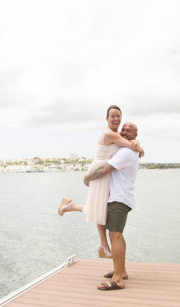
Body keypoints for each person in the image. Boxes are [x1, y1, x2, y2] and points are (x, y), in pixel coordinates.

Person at [58, 105, 143, 258]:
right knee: (98, 208)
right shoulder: (110, 134)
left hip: (105, 171)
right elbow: (129, 144)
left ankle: (69, 206)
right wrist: (138, 146)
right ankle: (103, 245)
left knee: (99, 207)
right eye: (112, 116)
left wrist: (137, 143)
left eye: (118, 115)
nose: (116, 118)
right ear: (107, 118)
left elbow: (129, 142)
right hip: (100, 170)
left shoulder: (116, 133)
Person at [82, 122, 140, 290]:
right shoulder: (128, 149)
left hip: (119, 199)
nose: (125, 132)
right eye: (124, 130)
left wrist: (87, 178)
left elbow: (105, 169)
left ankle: (117, 280)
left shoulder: (126, 151)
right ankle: (121, 271)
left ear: (135, 135)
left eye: (129, 131)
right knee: (118, 237)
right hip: (121, 198)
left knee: (115, 237)